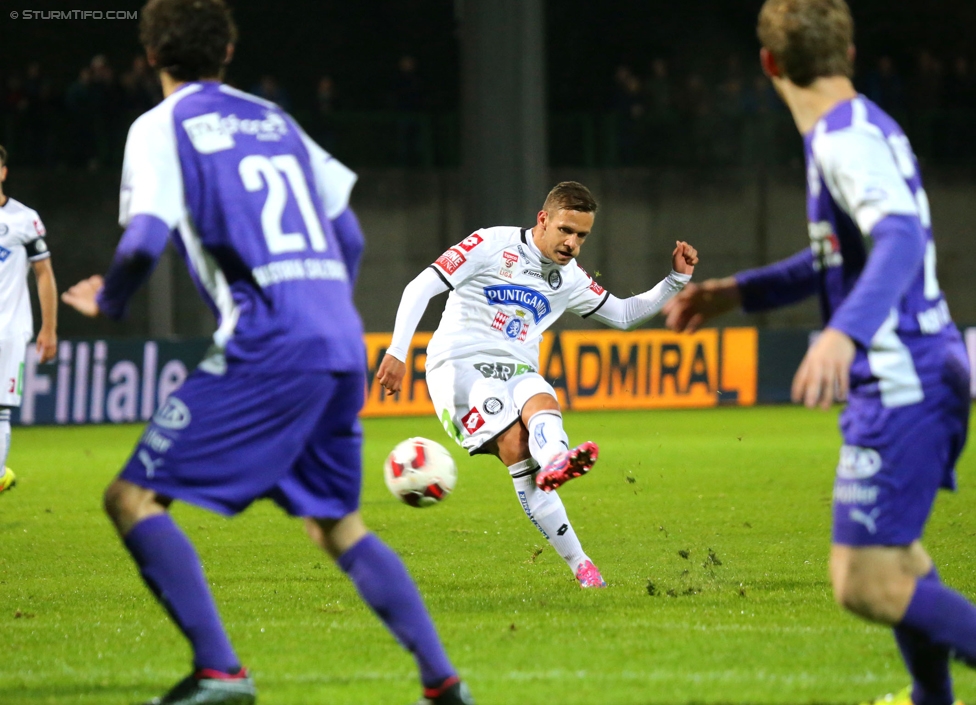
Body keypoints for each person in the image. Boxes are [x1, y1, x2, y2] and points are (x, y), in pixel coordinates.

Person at [60, 2, 473, 704]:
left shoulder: (162, 126)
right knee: (338, 526)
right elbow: (350, 236)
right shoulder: (273, 118)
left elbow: (142, 239)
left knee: (132, 497)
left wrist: (113, 299)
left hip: (270, 342)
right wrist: (315, 302)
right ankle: (443, 682)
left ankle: (220, 670)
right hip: (338, 336)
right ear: (226, 51)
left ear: (153, 55)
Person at [663, 2, 973, 704]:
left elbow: (897, 237)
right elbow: (833, 258)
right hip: (923, 364)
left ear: (770, 64)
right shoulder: (864, 127)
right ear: (850, 52)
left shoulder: (841, 140)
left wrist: (843, 331)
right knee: (898, 561)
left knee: (864, 580)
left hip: (899, 376)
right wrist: (737, 291)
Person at [376, 181, 698, 588]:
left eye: (582, 235)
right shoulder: (491, 243)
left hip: (516, 368)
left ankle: (563, 487)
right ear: (543, 219)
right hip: (459, 366)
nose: (573, 244)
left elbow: (621, 315)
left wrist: (675, 281)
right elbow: (421, 286)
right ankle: (571, 533)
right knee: (515, 445)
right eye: (566, 230)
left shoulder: (571, 277)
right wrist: (397, 351)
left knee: (541, 395)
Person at [0, 143, 58, 494]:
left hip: (7, 328)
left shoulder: (24, 218)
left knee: (0, 409)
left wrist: (48, 328)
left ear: (3, 172)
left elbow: (44, 274)